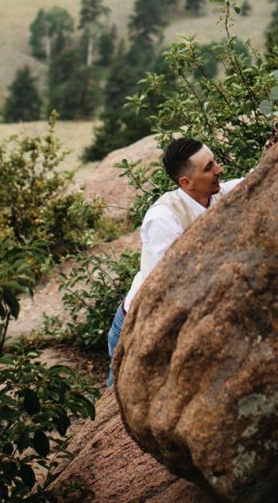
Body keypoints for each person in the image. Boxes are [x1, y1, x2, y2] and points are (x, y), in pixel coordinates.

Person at [107, 137, 244, 385]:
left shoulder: (221, 194)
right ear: (186, 182)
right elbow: (172, 285)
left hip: (178, 327)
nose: (219, 170)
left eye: (214, 162)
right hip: (138, 328)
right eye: (209, 167)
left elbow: (260, 178)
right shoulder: (164, 219)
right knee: (118, 408)